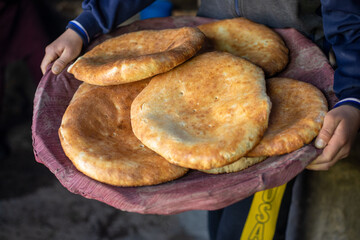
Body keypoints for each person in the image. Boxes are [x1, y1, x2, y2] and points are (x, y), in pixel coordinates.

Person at [40, 0, 360, 239]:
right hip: (205, 64)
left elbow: (348, 19)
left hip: (282, 94)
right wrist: (84, 25)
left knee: (248, 227)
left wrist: (353, 97)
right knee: (217, 211)